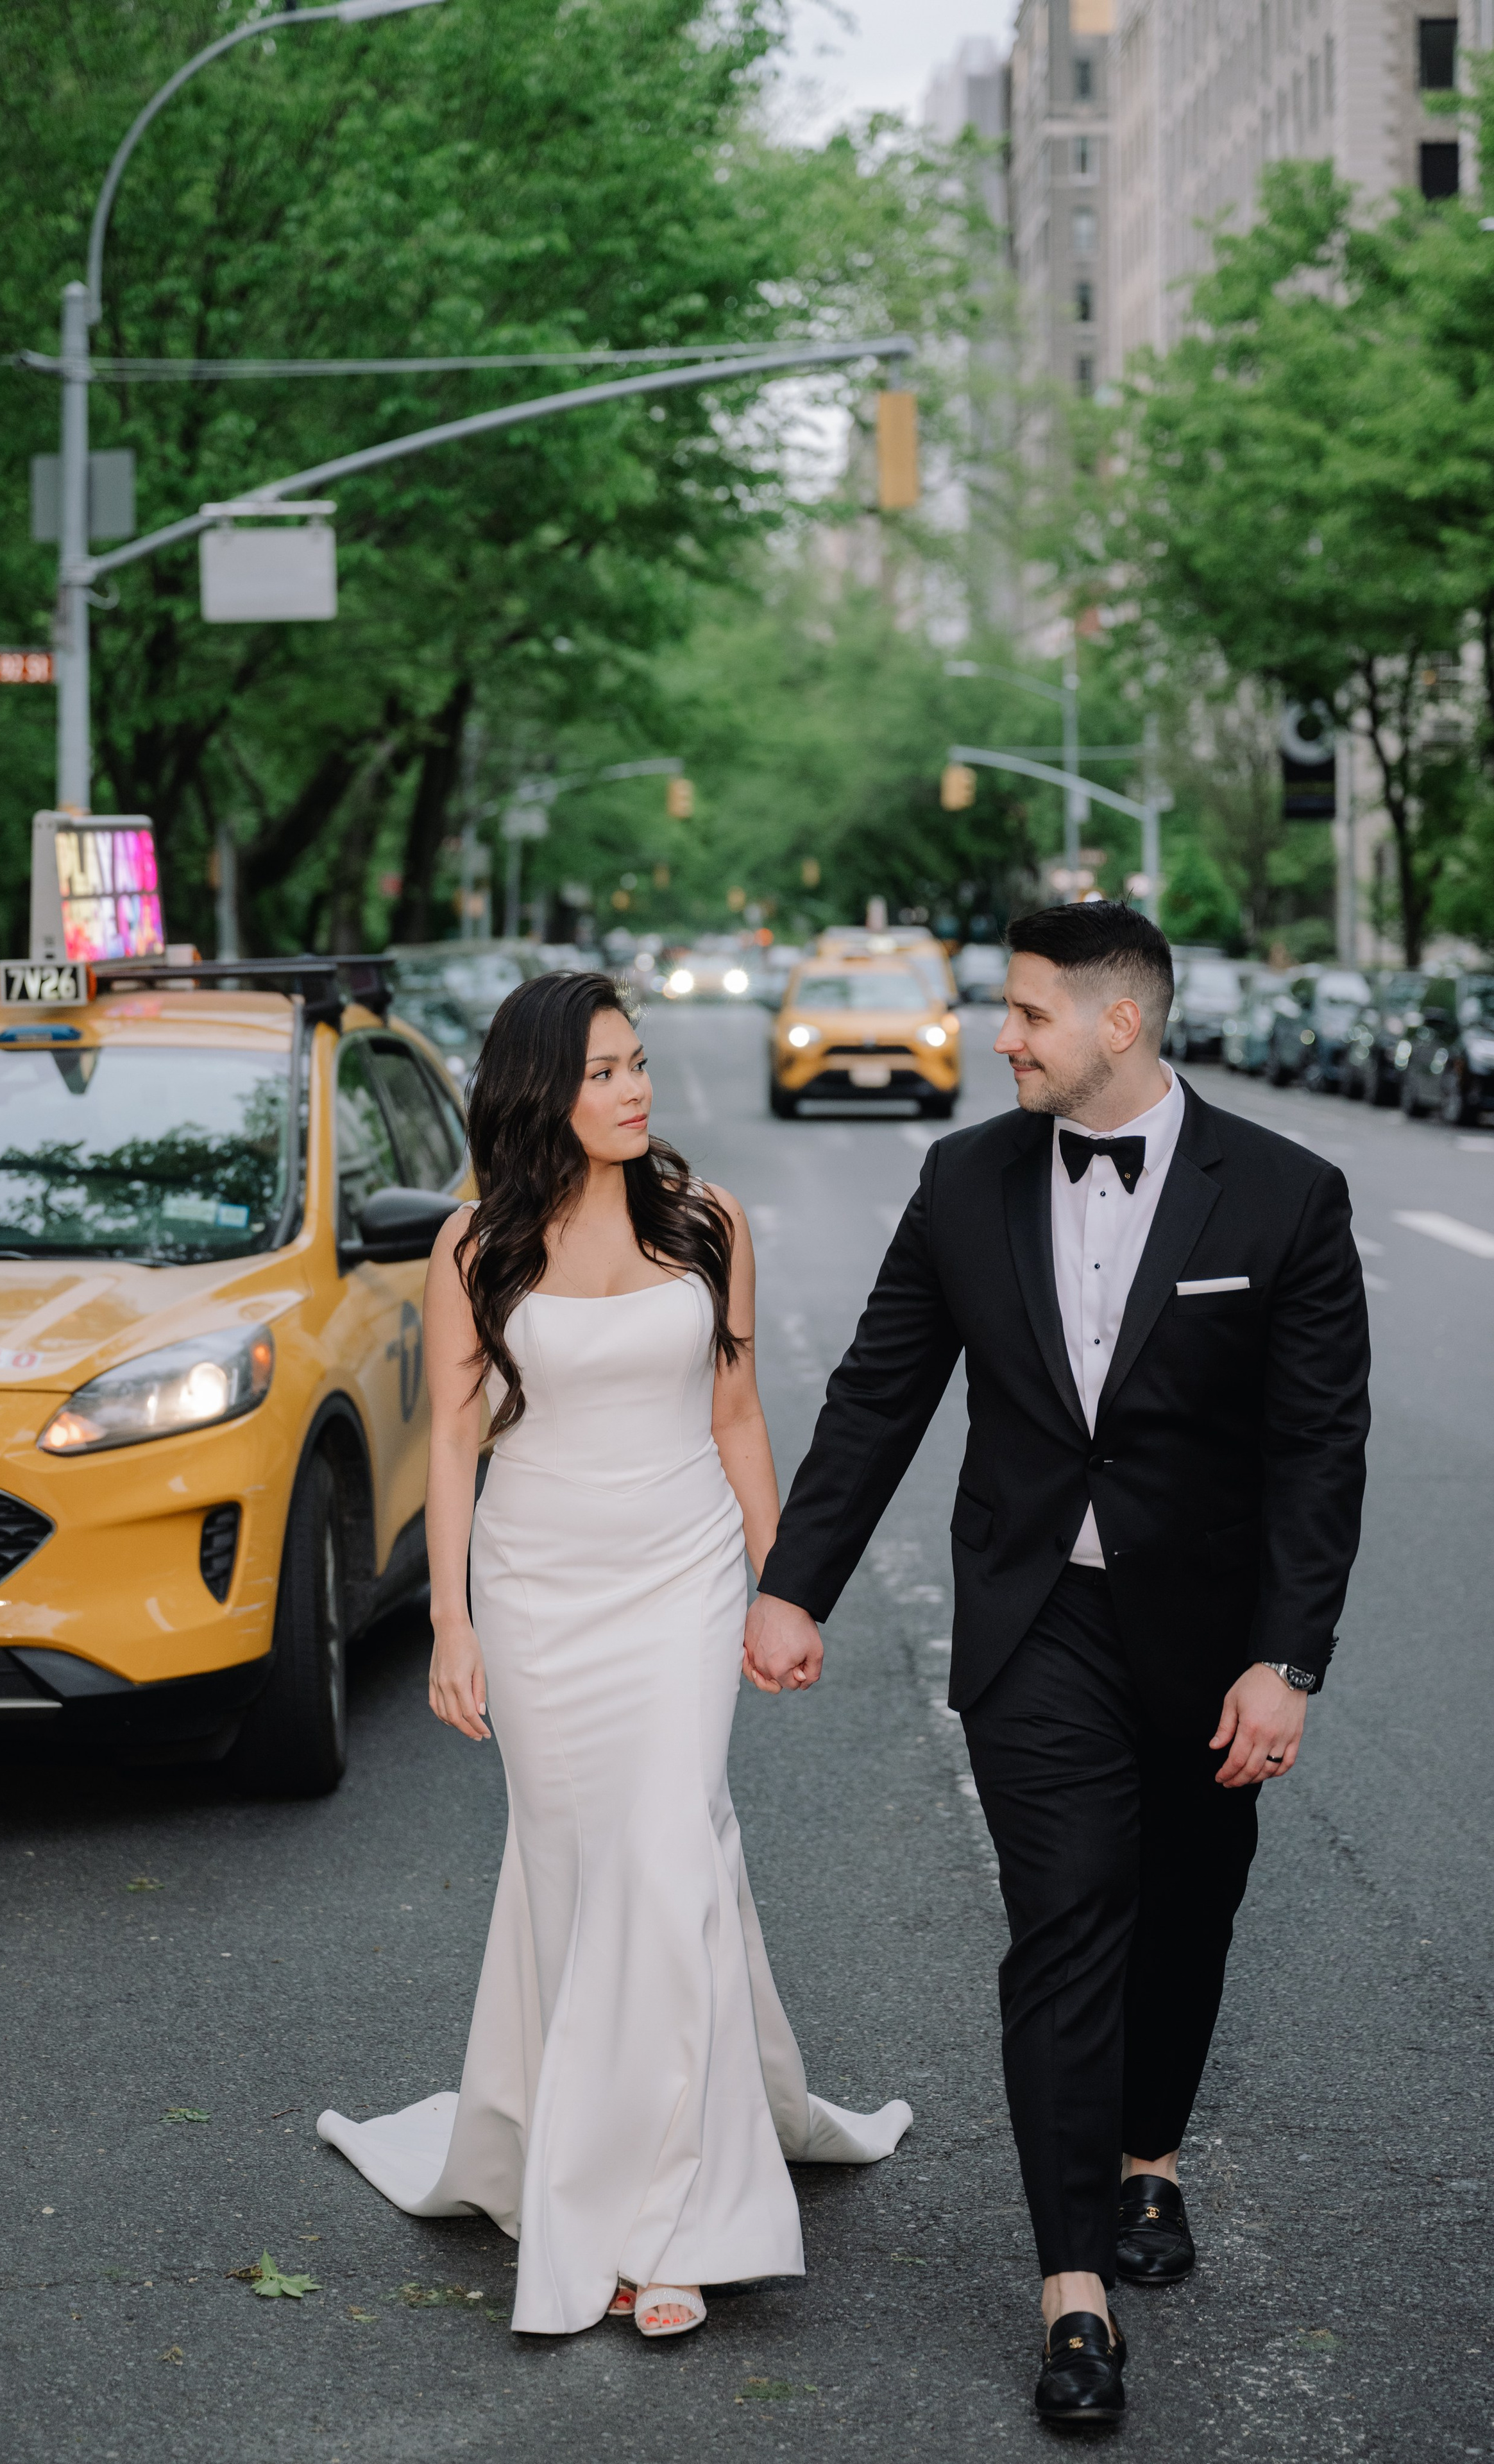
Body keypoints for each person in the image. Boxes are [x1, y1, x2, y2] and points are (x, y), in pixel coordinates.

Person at [744, 903, 1369, 2423]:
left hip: (1209, 1636)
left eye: (1024, 1014)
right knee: (1068, 1914)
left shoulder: (1283, 1197)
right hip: (1036, 1624)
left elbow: (1315, 1453)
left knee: (1186, 1910)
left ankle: (1148, 2156)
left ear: (1117, 1025)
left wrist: (1284, 1663)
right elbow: (878, 1393)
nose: (999, 1037)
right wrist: (791, 1584)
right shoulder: (961, 1181)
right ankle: (1072, 2290)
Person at [319, 971, 910, 2338]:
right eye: (601, 1071)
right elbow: (455, 1439)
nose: (633, 1088)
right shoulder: (473, 1246)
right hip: (533, 1590)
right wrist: (452, 1621)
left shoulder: (707, 1226)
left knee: (659, 1851)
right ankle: (581, 2142)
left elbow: (741, 1418)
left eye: (637, 1063)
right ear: (540, 1091)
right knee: (584, 1869)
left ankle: (672, 2225)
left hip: (682, 1580)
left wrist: (785, 1588)